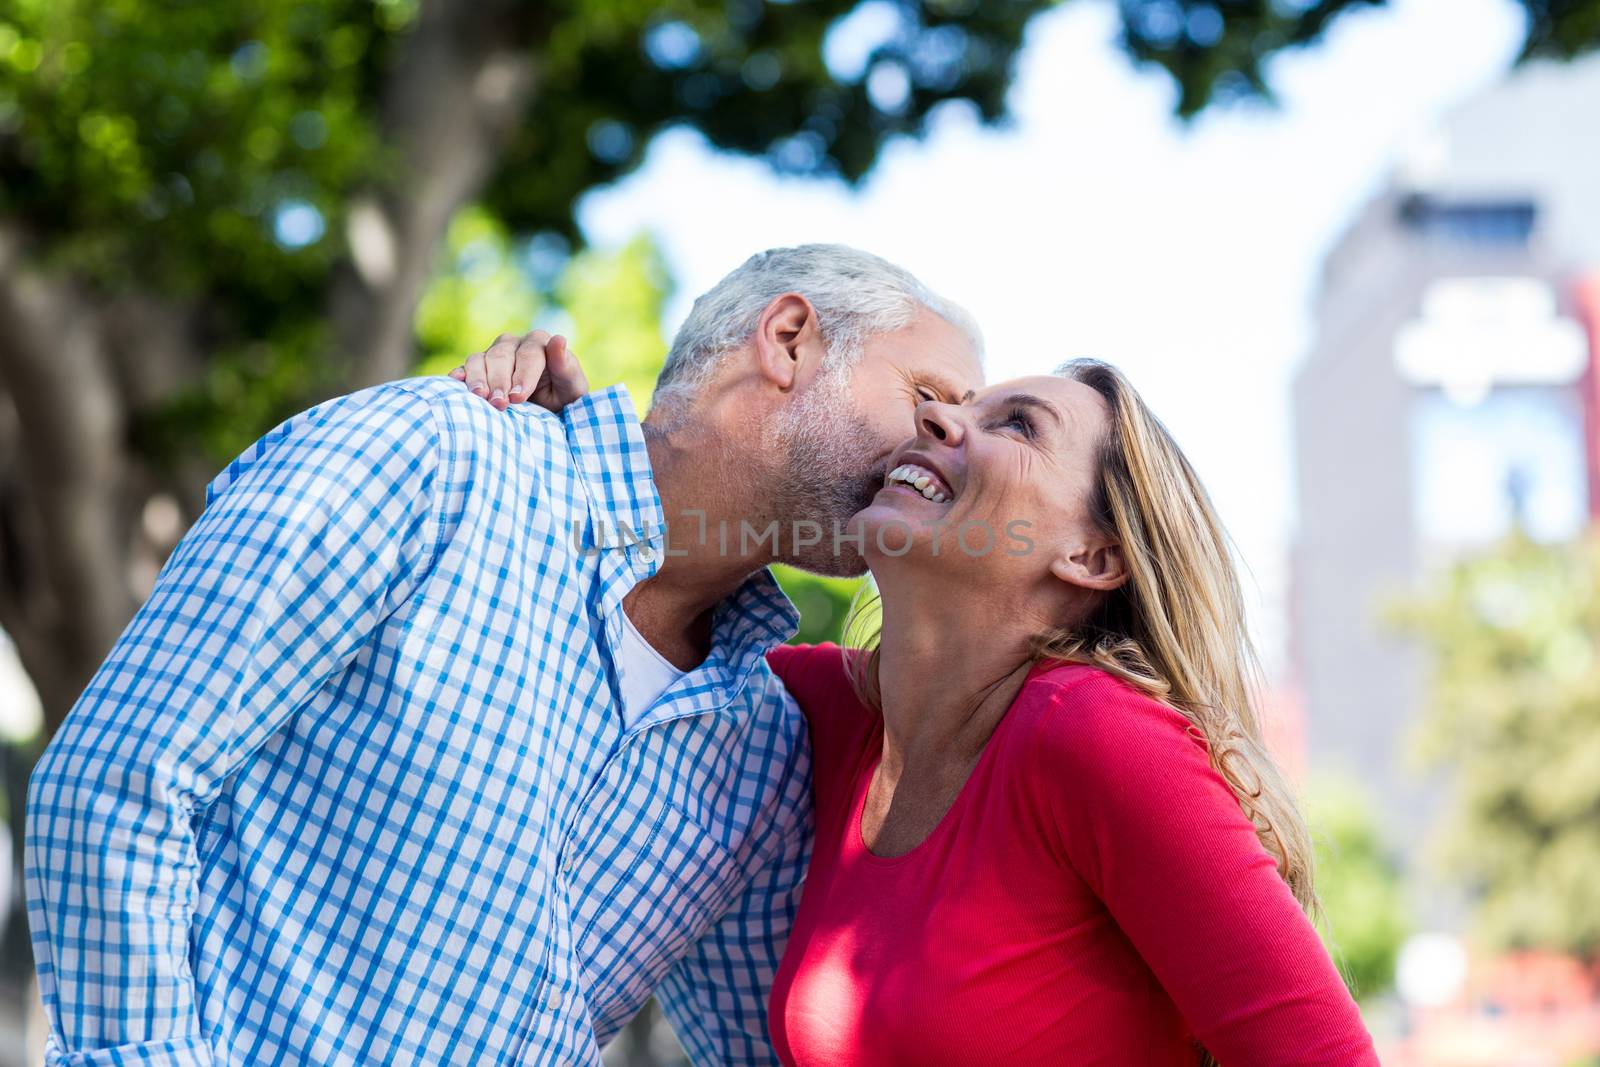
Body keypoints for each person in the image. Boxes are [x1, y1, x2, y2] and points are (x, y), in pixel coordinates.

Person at [25, 245, 984, 1066]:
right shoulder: (431, 457)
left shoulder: (766, 754)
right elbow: (116, 781)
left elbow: (775, 1046)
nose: (950, 447)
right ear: (787, 340)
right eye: (931, 399)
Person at [487, 352, 1380, 1064]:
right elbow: (652, 613)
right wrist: (581, 458)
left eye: (1015, 426)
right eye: (956, 403)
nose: (940, 417)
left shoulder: (1100, 736)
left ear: (1093, 556)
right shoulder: (820, 716)